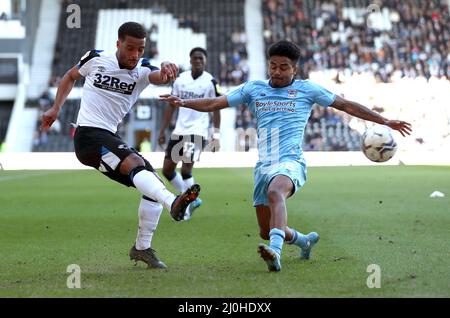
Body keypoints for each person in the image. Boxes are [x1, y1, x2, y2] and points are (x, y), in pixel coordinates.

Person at [160, 40, 412, 272]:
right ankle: (304, 241)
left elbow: (345, 105)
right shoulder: (253, 89)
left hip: (291, 162)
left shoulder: (307, 90)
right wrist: (182, 102)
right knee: (265, 230)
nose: (277, 72)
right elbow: (214, 103)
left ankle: (276, 252)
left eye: (284, 67)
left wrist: (384, 120)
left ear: (295, 69)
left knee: (275, 193)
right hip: (263, 166)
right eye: (273, 66)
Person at [40, 22, 200, 269]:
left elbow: (158, 76)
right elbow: (71, 76)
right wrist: (55, 108)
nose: (135, 55)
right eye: (130, 48)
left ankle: (142, 248)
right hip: (88, 137)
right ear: (118, 44)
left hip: (109, 137)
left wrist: (167, 69)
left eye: (141, 49)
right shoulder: (95, 58)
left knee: (151, 183)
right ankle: (173, 203)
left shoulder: (143, 70)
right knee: (138, 166)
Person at [158, 47, 221, 220]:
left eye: (201, 58)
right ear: (190, 60)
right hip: (179, 130)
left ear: (205, 61)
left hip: (197, 131)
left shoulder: (211, 82)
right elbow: (171, 105)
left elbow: (216, 108)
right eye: (195, 58)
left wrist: (216, 134)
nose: (198, 61)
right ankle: (189, 199)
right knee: (167, 170)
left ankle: (185, 207)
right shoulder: (180, 80)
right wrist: (163, 130)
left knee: (186, 169)